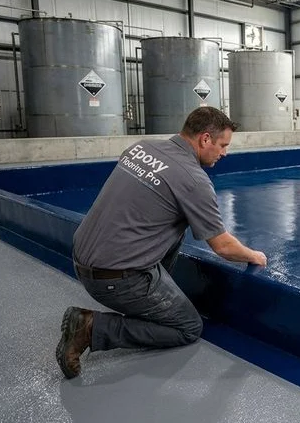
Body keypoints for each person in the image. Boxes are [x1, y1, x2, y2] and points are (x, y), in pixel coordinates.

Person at [55, 107, 267, 379]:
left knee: (175, 220)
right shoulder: (194, 180)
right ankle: (91, 327)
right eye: (223, 145)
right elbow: (223, 246)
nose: (225, 153)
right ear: (205, 139)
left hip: (80, 258)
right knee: (188, 327)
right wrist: (253, 256)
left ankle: (153, 298)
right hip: (115, 278)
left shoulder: (141, 148)